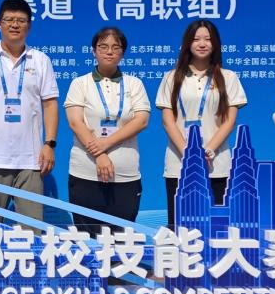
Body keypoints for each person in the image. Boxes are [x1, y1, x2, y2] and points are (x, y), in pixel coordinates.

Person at [0, 0, 59, 225]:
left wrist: (49, 143)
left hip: (31, 160)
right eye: (9, 20)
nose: (15, 25)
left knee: (31, 232)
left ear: (29, 26)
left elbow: (50, 104)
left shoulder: (41, 60)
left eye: (21, 20)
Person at [156, 20, 247, 229]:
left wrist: (207, 151)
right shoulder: (171, 77)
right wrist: (190, 155)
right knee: (180, 226)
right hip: (179, 165)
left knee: (216, 229)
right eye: (196, 39)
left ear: (215, 44)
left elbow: (229, 121)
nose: (202, 43)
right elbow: (168, 121)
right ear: (187, 43)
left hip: (216, 165)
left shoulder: (228, 77)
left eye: (208, 39)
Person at [64, 27, 150, 234]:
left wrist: (105, 143)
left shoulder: (134, 84)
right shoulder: (80, 83)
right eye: (103, 47)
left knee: (122, 239)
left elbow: (141, 121)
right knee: (88, 239)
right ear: (94, 51)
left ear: (123, 52)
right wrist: (100, 155)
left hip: (125, 174)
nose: (109, 52)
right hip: (85, 172)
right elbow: (76, 122)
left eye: (115, 47)